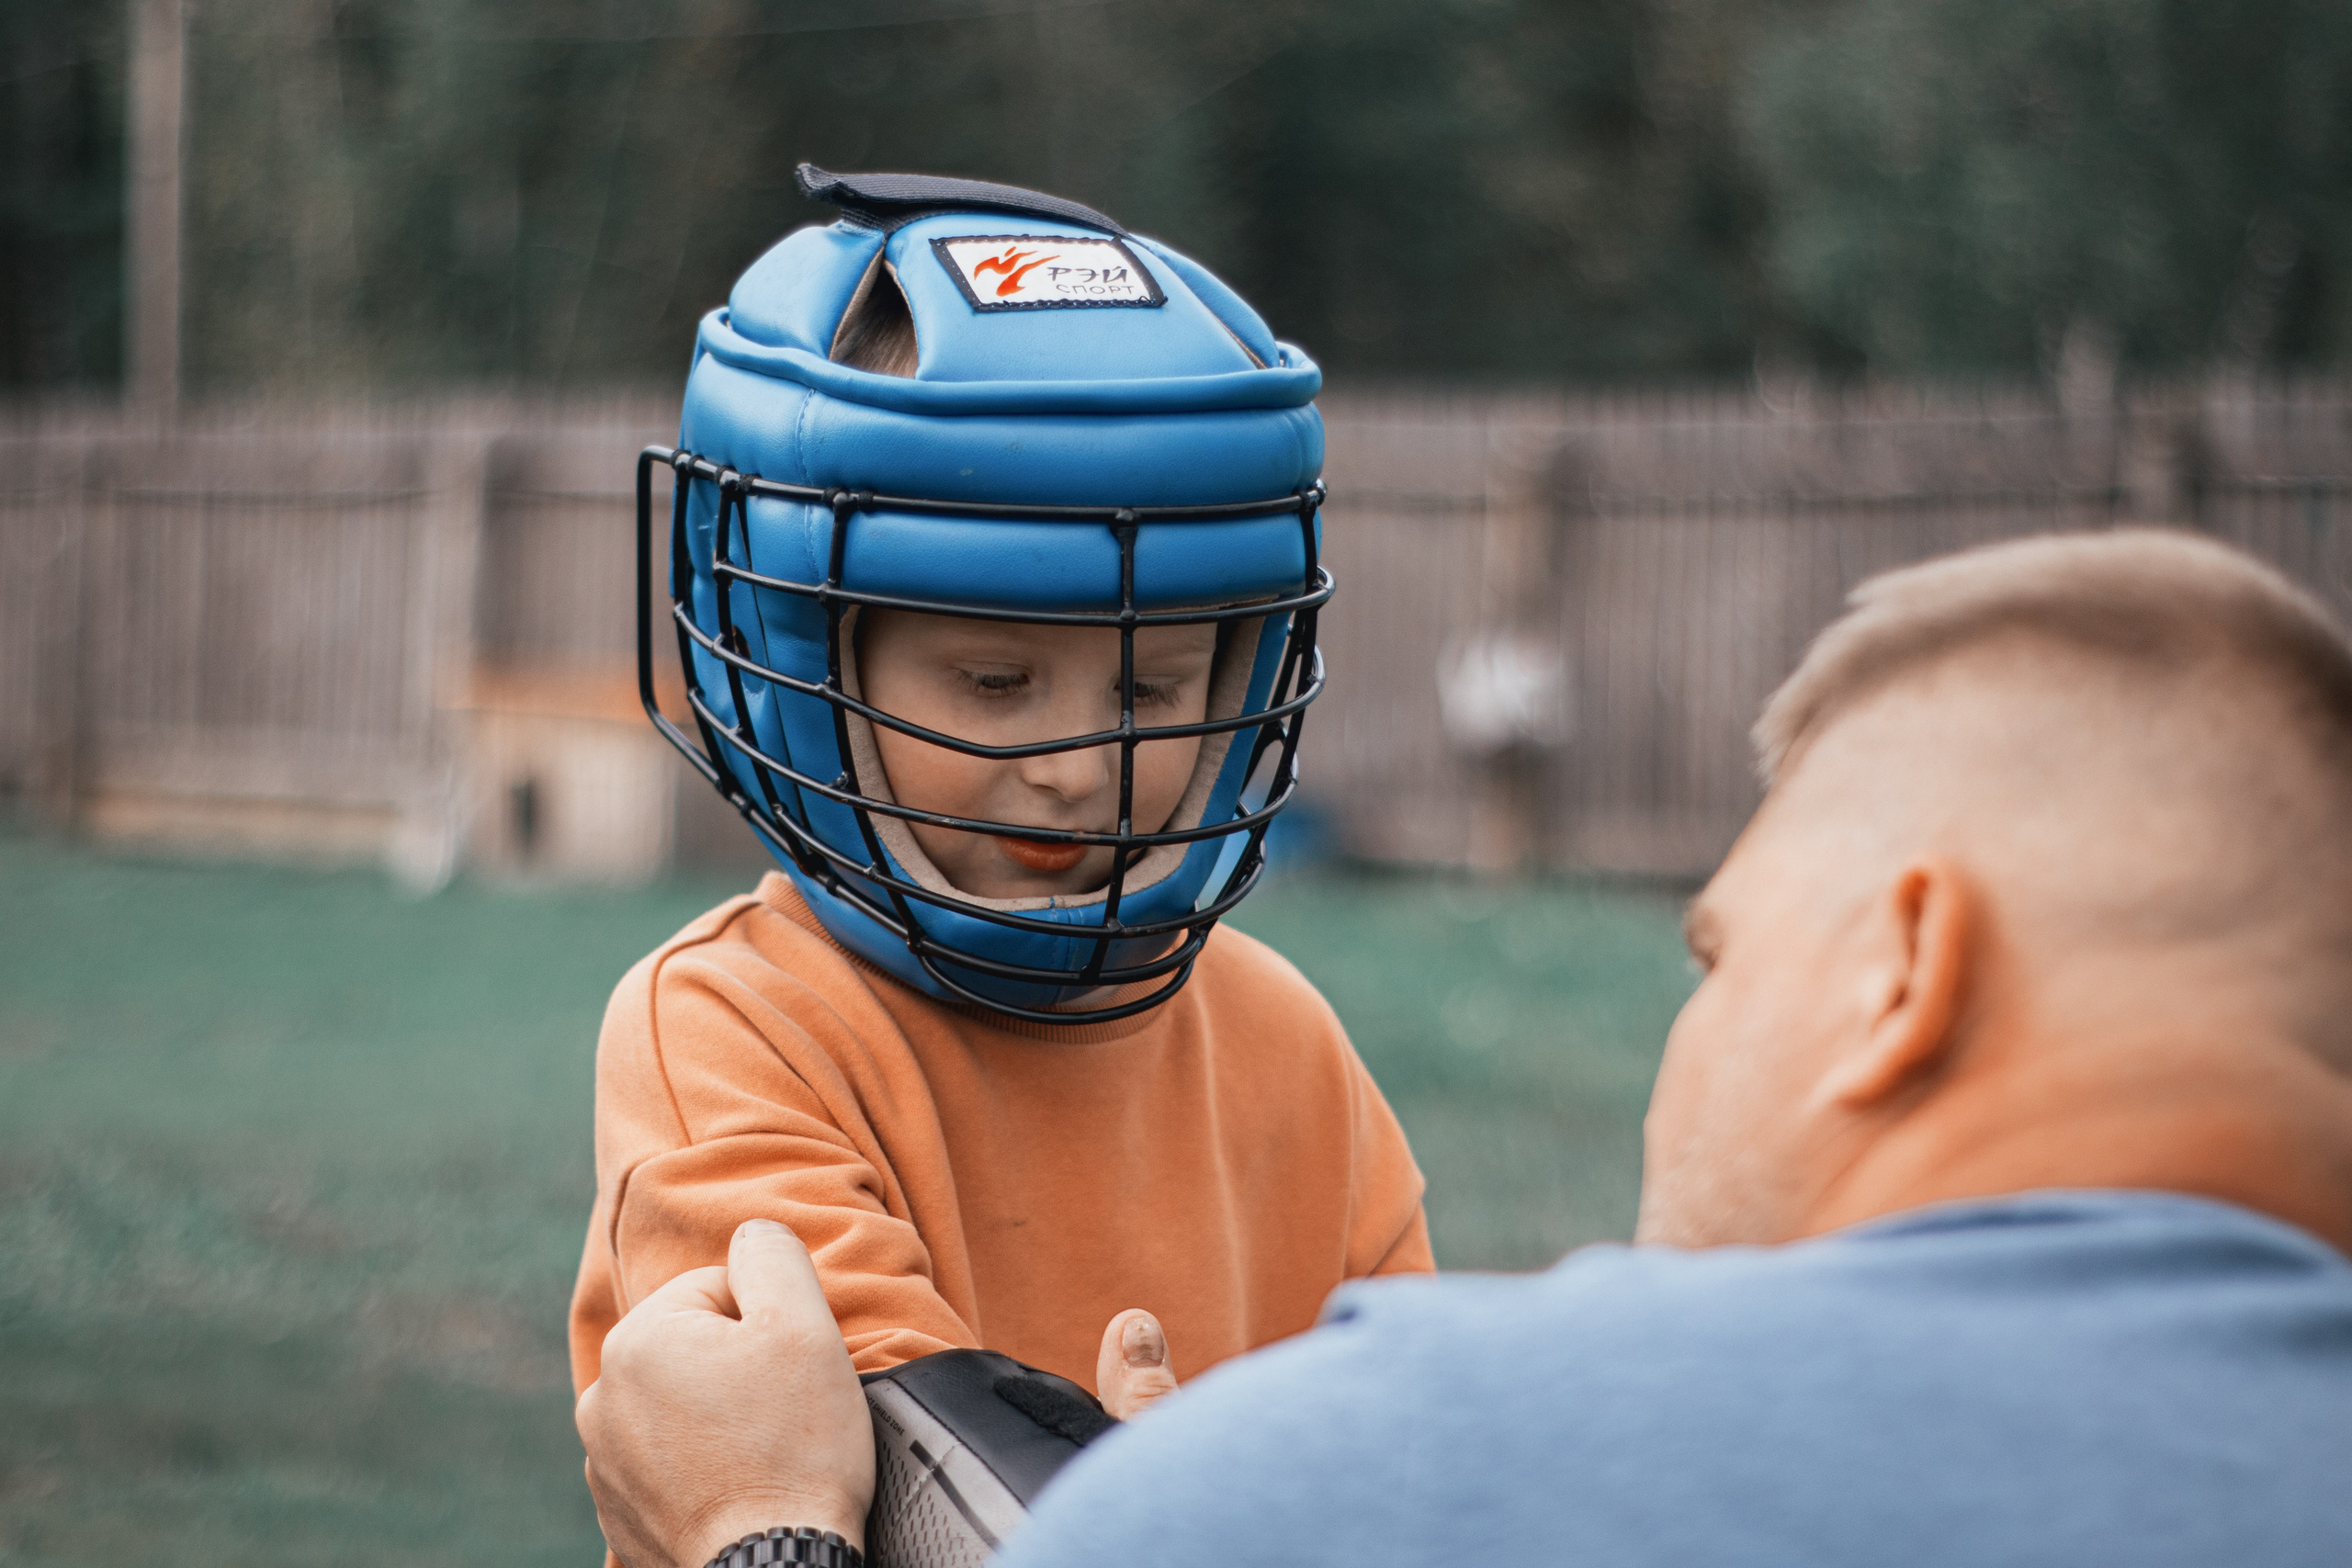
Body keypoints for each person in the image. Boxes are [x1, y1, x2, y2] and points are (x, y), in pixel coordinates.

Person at [577, 527, 2352, 1568]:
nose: (1078, 762)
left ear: (1904, 970)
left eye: (1714, 953)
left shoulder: (1400, 1469)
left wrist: (768, 1535)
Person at [570, 164, 1431, 1452]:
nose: (1080, 766)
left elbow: (1413, 1470)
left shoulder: (1286, 1047)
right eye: (993, 681)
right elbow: (901, 1485)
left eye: (1152, 682)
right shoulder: (737, 1031)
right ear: (799, 650)